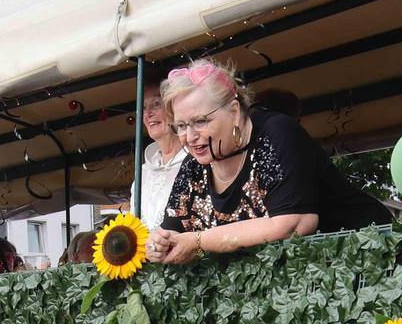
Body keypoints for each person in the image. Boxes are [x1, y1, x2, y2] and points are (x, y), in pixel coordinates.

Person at [146, 58, 388, 266]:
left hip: (367, 256)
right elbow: (174, 232)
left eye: (200, 121)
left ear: (234, 111)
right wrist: (160, 243)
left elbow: (294, 223)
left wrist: (198, 242)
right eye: (181, 126)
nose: (189, 136)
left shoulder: (276, 134)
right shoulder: (193, 166)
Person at [136, 65, 187, 230]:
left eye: (156, 104)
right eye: (143, 107)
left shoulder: (194, 161)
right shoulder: (143, 173)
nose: (148, 113)